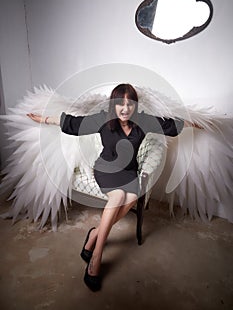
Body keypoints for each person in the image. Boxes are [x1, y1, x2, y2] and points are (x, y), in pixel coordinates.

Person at [27, 83, 197, 291]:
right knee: (117, 198)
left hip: (129, 172)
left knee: (132, 197)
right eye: (120, 104)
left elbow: (170, 125)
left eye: (129, 104)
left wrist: (197, 123)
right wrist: (44, 119)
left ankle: (94, 234)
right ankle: (97, 256)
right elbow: (74, 124)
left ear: (135, 105)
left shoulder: (143, 121)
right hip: (106, 169)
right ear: (113, 104)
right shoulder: (103, 119)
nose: (125, 109)